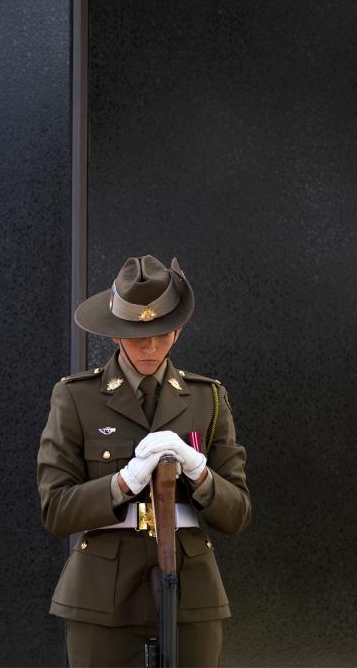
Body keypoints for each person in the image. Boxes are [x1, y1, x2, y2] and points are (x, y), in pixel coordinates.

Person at [37, 255, 250, 667]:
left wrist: (200, 474)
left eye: (161, 332)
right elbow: (56, 509)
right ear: (115, 334)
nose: (150, 346)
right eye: (136, 334)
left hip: (190, 593)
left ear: (179, 330)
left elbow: (237, 514)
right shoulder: (76, 397)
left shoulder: (209, 400)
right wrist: (122, 483)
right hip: (103, 598)